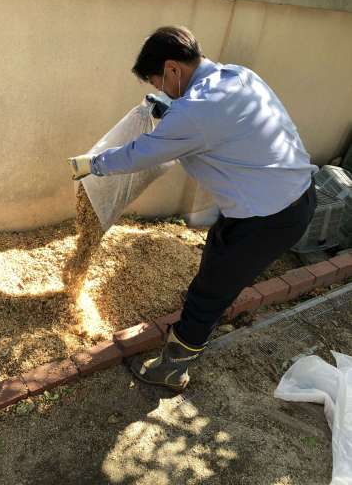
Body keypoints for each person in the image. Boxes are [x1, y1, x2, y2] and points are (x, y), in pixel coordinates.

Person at [69, 26, 318, 391]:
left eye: (157, 82)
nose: (159, 90)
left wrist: (93, 164)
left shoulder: (197, 110)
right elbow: (210, 121)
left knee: (208, 295)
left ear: (173, 69)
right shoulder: (238, 75)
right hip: (293, 195)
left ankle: (172, 369)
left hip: (270, 217)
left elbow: (141, 153)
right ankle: (206, 306)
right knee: (219, 251)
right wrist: (171, 110)